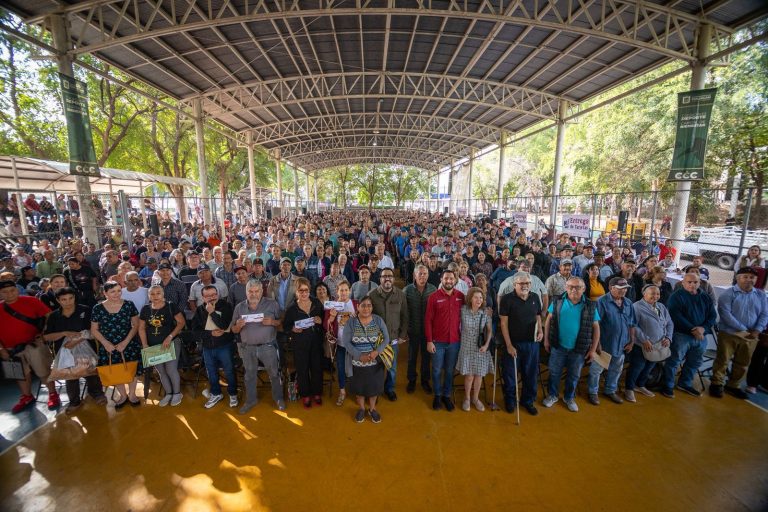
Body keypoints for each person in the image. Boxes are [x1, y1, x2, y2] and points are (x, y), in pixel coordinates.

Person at [43, 287, 107, 413]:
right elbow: (47, 336)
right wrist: (64, 333)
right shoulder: (54, 316)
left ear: (74, 297)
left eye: (71, 298)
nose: (68, 301)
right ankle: (74, 401)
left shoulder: (86, 310)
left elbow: (95, 330)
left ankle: (97, 394)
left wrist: (78, 339)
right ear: (58, 300)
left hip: (87, 348)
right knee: (70, 376)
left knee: (91, 372)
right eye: (64, 299)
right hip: (64, 352)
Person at [542, 277, 600, 412]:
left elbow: (596, 328)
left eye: (578, 287)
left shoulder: (590, 306)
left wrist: (592, 350)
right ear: (566, 288)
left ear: (583, 289)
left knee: (574, 375)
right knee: (554, 372)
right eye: (571, 287)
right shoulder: (557, 301)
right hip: (558, 346)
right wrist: (546, 340)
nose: (574, 289)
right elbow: (548, 320)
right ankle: (552, 395)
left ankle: (569, 398)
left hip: (578, 349)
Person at [0, 280, 59, 412]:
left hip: (33, 344)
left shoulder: (31, 301)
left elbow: (49, 316)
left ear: (17, 289)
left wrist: (44, 332)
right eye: (5, 292)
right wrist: (1, 349)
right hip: (10, 349)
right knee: (19, 374)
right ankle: (26, 396)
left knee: (43, 369)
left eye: (12, 290)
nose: (9, 294)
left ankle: (52, 393)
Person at [709, 267, 768, 399]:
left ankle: (733, 385)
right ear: (738, 278)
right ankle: (717, 384)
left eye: (752, 277)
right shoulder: (728, 294)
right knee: (723, 360)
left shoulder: (760, 295)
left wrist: (758, 329)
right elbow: (725, 314)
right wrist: (743, 329)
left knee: (743, 362)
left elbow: (765, 314)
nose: (748, 280)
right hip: (730, 333)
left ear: (756, 279)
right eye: (745, 276)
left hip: (752, 336)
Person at [231, 280, 285, 413]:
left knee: (274, 373)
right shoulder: (239, 307)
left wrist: (273, 322)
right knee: (249, 375)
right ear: (246, 292)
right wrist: (238, 326)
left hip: (268, 346)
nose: (253, 294)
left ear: (261, 291)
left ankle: (278, 398)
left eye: (256, 291)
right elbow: (233, 329)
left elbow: (282, 324)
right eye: (250, 291)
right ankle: (251, 400)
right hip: (247, 348)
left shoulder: (272, 304)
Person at [662, 273, 718, 398]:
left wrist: (703, 328)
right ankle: (668, 385)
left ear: (700, 283)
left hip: (701, 336)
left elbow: (712, 316)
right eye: (689, 282)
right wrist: (693, 329)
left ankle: (685, 383)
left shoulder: (705, 297)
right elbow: (675, 315)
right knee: (674, 361)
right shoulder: (676, 296)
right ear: (683, 283)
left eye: (695, 282)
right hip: (681, 335)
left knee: (695, 361)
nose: (692, 284)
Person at [339, 296, 391, 423]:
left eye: (369, 305)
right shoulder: (351, 322)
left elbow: (386, 338)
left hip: (375, 363)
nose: (366, 308)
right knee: (359, 389)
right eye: (363, 305)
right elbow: (346, 342)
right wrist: (359, 355)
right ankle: (362, 408)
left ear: (372, 307)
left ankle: (372, 409)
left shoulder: (378, 320)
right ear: (358, 307)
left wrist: (376, 351)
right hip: (357, 363)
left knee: (374, 389)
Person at [91, 281, 143, 408]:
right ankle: (123, 395)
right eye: (113, 291)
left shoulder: (129, 305)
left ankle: (132, 394)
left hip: (128, 343)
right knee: (114, 370)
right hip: (108, 346)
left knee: (132, 370)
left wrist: (125, 342)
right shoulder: (97, 308)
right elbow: (94, 329)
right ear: (105, 293)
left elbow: (136, 325)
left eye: (119, 290)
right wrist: (105, 343)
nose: (117, 294)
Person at [499, 271, 543, 416]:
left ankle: (528, 401)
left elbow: (538, 316)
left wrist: (541, 331)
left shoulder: (535, 297)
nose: (525, 286)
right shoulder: (506, 299)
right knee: (510, 375)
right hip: (513, 344)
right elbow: (503, 324)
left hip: (532, 344)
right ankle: (510, 400)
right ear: (514, 285)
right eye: (522, 283)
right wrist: (509, 345)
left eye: (527, 283)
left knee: (530, 374)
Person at [588, 278, 637, 405]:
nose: (624, 291)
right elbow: (595, 324)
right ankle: (593, 392)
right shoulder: (602, 302)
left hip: (622, 344)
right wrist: (597, 344)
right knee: (596, 370)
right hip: (605, 343)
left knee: (616, 369)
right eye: (620, 289)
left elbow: (632, 323)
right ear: (611, 288)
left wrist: (632, 340)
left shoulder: (628, 303)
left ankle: (610, 390)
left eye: (625, 288)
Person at [138, 285, 186, 407]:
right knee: (161, 371)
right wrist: (144, 344)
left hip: (171, 342)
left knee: (171, 369)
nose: (155, 296)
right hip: (153, 345)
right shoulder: (145, 309)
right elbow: (141, 328)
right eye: (152, 294)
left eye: (158, 293)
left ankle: (177, 393)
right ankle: (168, 393)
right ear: (148, 296)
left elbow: (181, 323)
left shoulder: (170, 306)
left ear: (163, 294)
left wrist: (170, 337)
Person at [192, 285, 238, 409]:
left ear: (217, 294)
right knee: (211, 372)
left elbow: (223, 325)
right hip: (207, 346)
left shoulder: (226, 306)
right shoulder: (200, 310)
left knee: (229, 371)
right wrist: (209, 333)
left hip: (224, 345)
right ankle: (216, 393)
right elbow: (195, 331)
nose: (212, 298)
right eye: (208, 296)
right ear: (202, 297)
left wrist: (212, 312)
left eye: (214, 294)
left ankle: (233, 393)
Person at [425, 270, 465, 411]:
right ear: (441, 279)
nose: (449, 281)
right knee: (436, 370)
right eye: (446, 278)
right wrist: (429, 341)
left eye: (451, 278)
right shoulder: (433, 297)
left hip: (454, 341)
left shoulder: (461, 297)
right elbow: (428, 321)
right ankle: (437, 395)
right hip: (437, 342)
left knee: (449, 371)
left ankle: (446, 395)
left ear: (455, 280)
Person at [625, 284, 674, 402]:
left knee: (649, 366)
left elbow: (669, 323)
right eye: (652, 293)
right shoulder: (636, 307)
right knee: (637, 366)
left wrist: (668, 337)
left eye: (657, 294)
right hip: (642, 344)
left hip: (659, 344)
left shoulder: (661, 307)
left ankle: (640, 385)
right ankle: (629, 389)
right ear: (644, 294)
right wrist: (644, 339)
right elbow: (633, 325)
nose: (655, 296)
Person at [367, 267, 409, 401]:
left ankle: (389, 389)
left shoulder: (400, 294)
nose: (387, 279)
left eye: (390, 276)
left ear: (393, 279)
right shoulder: (372, 295)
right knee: (376, 368)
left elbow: (405, 316)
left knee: (392, 368)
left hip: (393, 339)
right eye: (384, 276)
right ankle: (376, 391)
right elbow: (367, 317)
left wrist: (402, 335)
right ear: (380, 279)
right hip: (376, 340)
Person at [282, 277, 324, 408]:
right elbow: (286, 326)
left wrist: (320, 320)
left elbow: (324, 318)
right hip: (300, 343)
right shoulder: (292, 309)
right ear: (296, 292)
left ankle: (317, 392)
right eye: (301, 291)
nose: (304, 293)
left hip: (316, 341)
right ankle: (305, 394)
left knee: (317, 368)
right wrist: (292, 328)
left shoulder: (317, 303)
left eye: (306, 290)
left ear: (309, 290)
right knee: (302, 369)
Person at [455, 287, 493, 412]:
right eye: (476, 297)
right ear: (470, 298)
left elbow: (489, 330)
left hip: (480, 348)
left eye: (481, 298)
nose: (479, 300)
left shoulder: (485, 313)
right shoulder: (463, 310)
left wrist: (487, 345)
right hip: (466, 346)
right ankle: (466, 398)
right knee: (469, 376)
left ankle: (475, 399)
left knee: (479, 375)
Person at [404, 264, 436, 394]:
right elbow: (404, 312)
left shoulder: (433, 290)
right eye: (420, 274)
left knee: (426, 357)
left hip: (428, 332)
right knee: (412, 357)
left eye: (425, 274)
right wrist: (405, 330)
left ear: (428, 275)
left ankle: (425, 380)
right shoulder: (407, 290)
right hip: (413, 330)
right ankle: (411, 380)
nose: (422, 276)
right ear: (415, 275)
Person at [323, 280, 357, 406]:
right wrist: (331, 317)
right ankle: (342, 391)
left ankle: (357, 390)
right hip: (341, 343)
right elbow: (326, 326)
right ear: (337, 292)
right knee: (341, 368)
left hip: (355, 344)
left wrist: (357, 317)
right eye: (341, 290)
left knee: (357, 367)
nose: (343, 292)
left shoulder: (356, 304)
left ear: (350, 291)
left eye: (346, 290)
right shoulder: (332, 306)